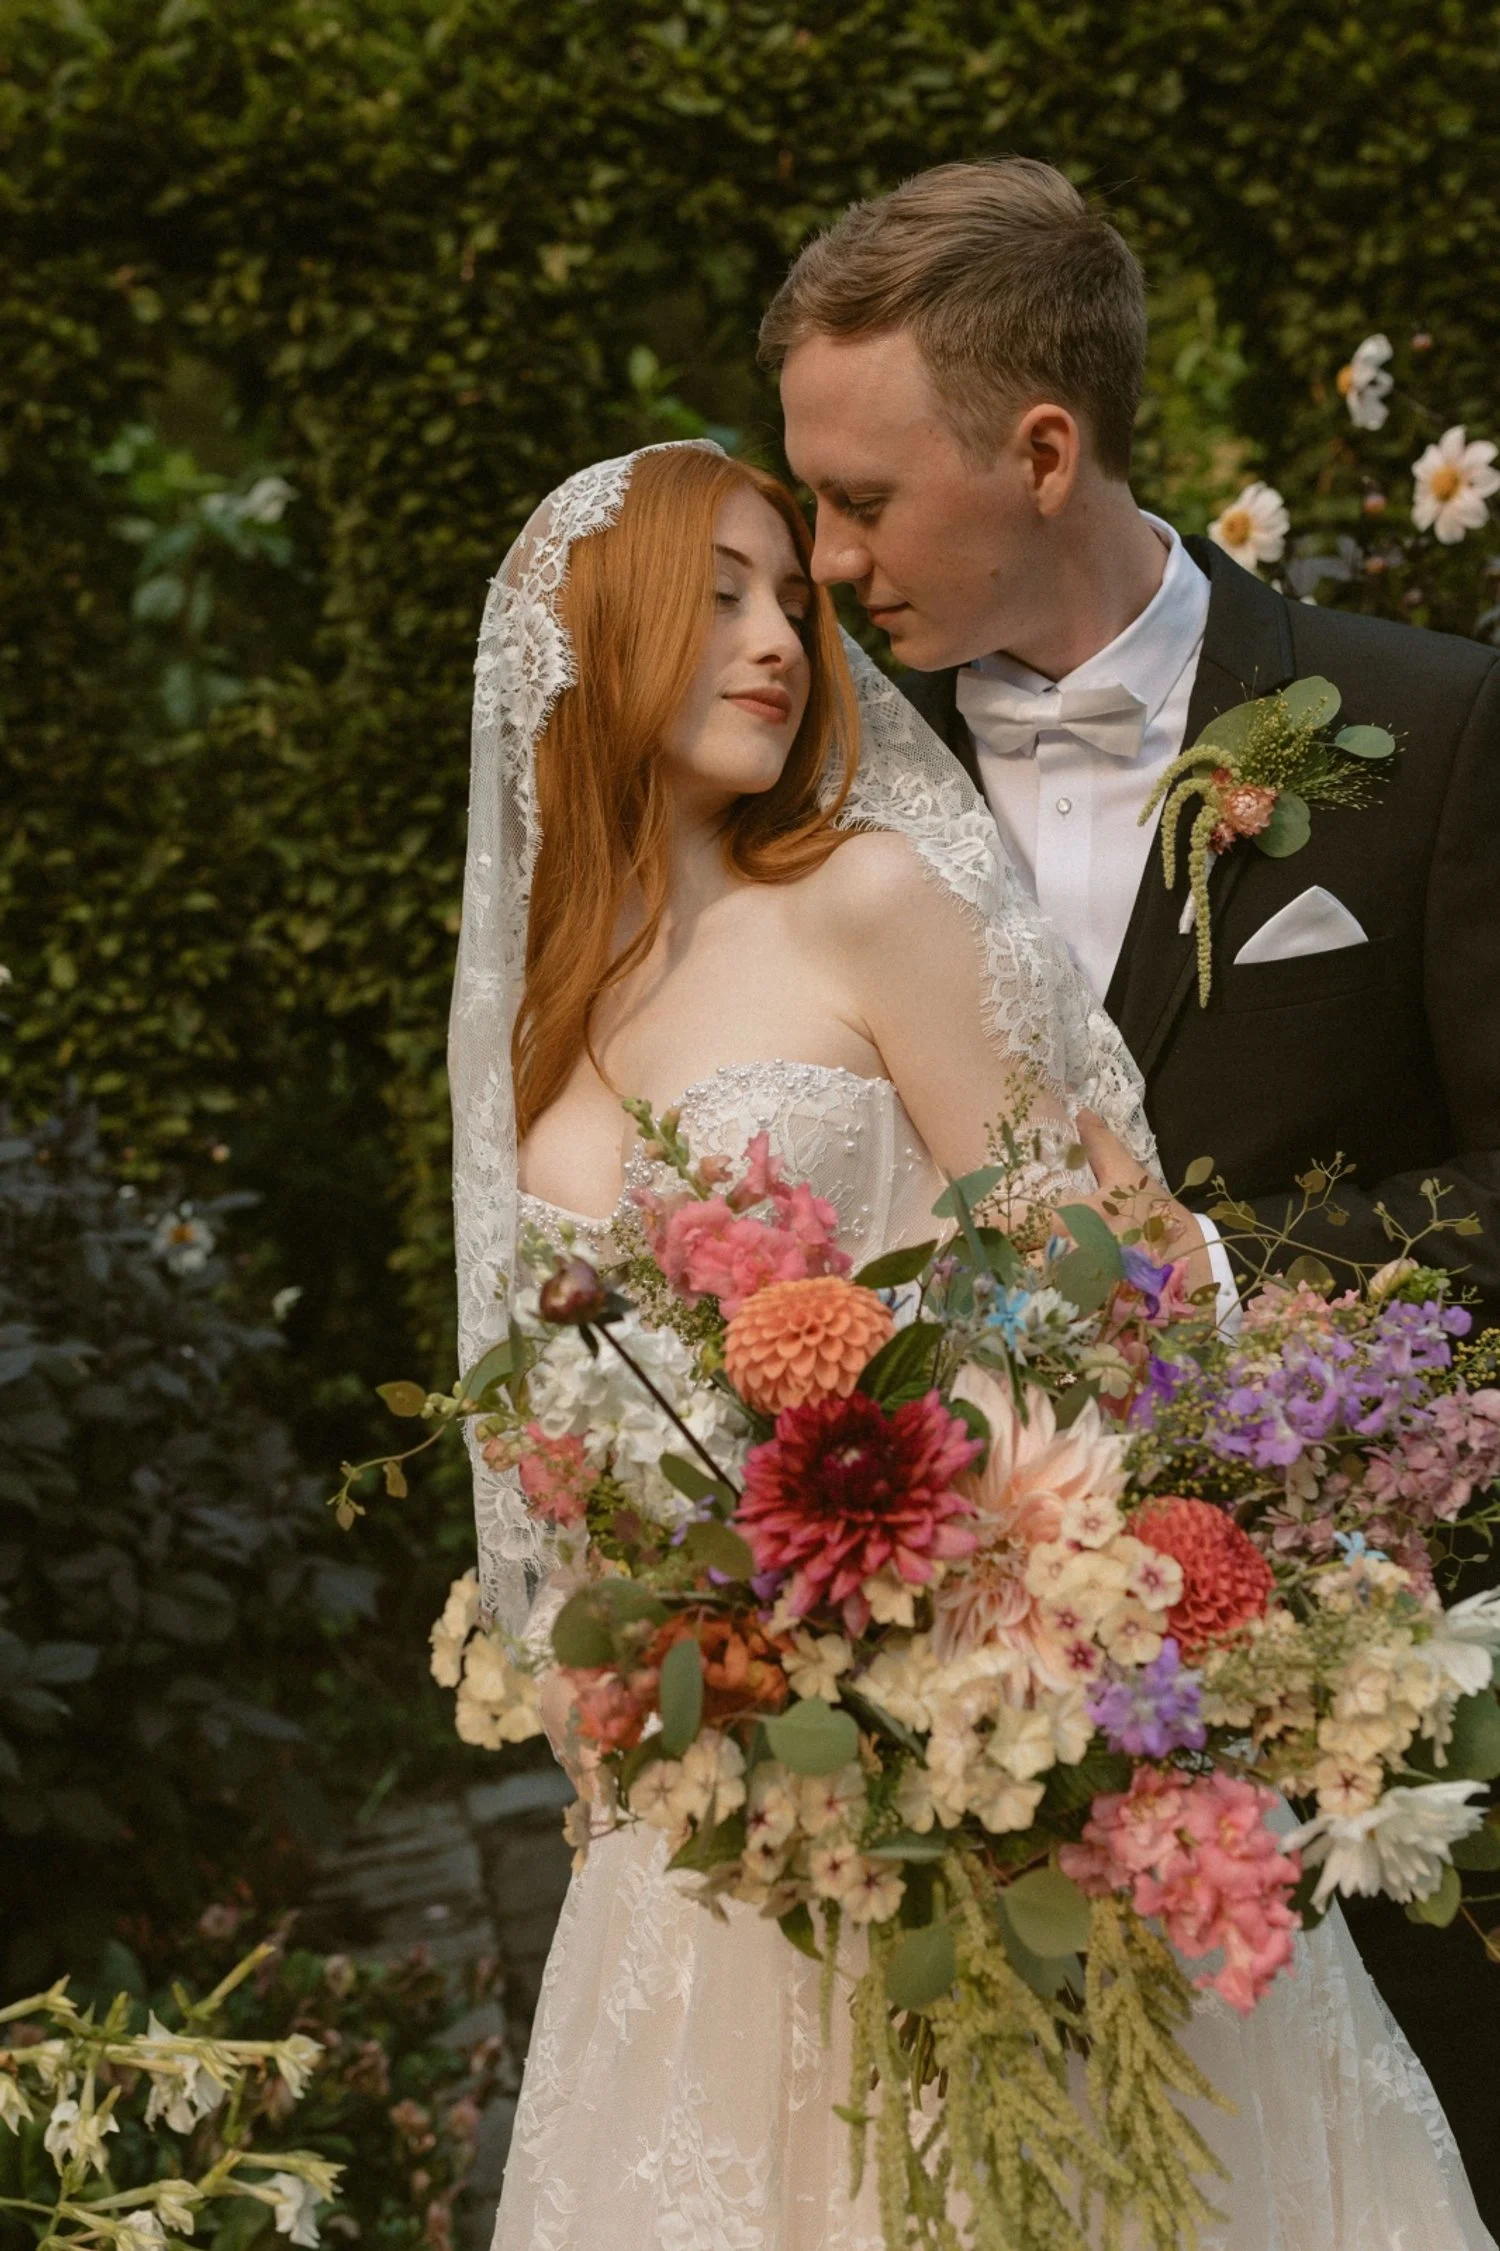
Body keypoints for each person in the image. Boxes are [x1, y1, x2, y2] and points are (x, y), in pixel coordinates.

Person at [450, 437, 1493, 2249]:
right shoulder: (542, 1008)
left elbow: (1089, 1274)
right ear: (590, 642)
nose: (782, 635)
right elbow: (553, 1430)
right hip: (710, 1814)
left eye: (789, 597)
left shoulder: (865, 898)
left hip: (969, 1732)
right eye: (718, 601)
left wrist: (967, 1604)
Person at [764, 155, 1500, 2216]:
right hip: (977, 1752)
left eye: (864, 499)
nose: (822, 562)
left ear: (1044, 446)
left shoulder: (1432, 731)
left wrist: (1205, 1273)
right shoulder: (820, 804)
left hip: (1376, 1722)